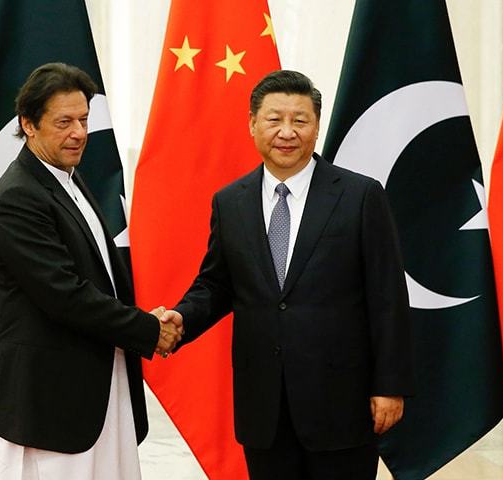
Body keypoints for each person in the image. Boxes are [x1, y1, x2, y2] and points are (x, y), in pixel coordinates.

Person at [161, 70, 414, 479]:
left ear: (317, 126)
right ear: (252, 124)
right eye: (274, 119)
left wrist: (390, 384)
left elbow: (388, 297)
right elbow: (217, 283)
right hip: (264, 407)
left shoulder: (360, 196)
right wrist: (181, 319)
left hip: (341, 403)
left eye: (300, 120)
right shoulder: (230, 202)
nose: (287, 132)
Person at [0, 63, 181, 480]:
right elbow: (65, 295)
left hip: (97, 388)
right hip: (49, 405)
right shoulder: (18, 196)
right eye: (64, 122)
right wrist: (147, 329)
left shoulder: (67, 178)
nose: (79, 133)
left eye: (84, 120)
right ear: (28, 124)